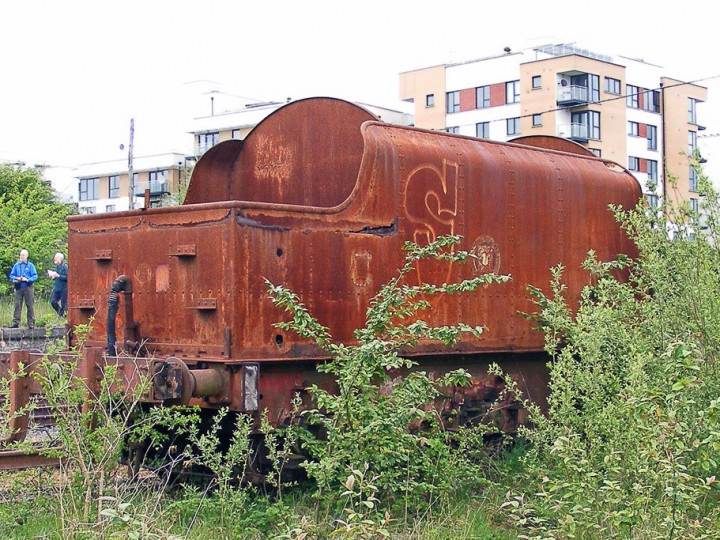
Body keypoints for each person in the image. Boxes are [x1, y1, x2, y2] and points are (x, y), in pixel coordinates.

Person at [8, 249, 38, 329]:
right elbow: (11, 275)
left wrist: (27, 279)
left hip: (28, 287)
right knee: (17, 305)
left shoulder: (31, 266)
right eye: (21, 255)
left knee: (30, 305)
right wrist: (17, 278)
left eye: (23, 255)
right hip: (19, 287)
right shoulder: (16, 265)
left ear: (27, 256)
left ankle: (31, 323)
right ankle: (15, 322)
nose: (21, 257)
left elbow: (35, 276)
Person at [48, 252, 68, 317]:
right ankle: (61, 314)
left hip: (64, 289)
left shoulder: (65, 267)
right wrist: (52, 276)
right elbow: (56, 278)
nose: (54, 259)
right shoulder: (56, 268)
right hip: (57, 289)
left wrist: (59, 276)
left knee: (64, 305)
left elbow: (68, 278)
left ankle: (64, 317)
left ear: (60, 259)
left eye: (56, 258)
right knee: (53, 302)